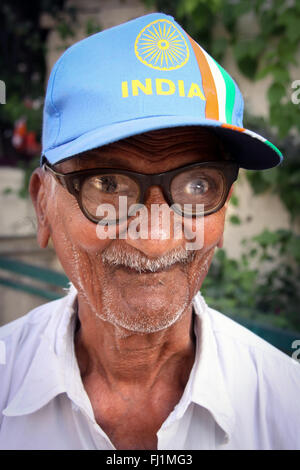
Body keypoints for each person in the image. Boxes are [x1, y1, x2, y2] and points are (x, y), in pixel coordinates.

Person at [0, 12, 299, 451]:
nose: (156, 239)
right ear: (43, 204)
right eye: (108, 184)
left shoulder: (286, 405)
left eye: (199, 185)